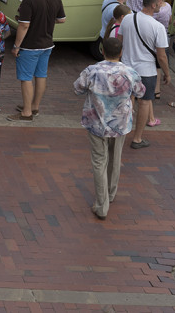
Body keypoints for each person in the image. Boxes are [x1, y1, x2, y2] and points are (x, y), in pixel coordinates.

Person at [73, 36, 145, 220]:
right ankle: (111, 194)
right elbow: (140, 92)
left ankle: (101, 204)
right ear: (121, 52)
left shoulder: (92, 70)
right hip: (120, 123)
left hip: (96, 122)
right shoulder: (129, 72)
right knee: (115, 158)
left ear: (102, 50)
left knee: (99, 161)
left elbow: (77, 88)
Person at [7, 0, 66, 122]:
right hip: (47, 44)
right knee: (41, 75)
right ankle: (34, 106)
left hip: (30, 45)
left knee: (26, 78)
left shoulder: (29, 0)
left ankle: (26, 112)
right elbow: (62, 19)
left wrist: (16, 45)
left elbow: (24, 25)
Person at [121, 0, 170, 150]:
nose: (161, 5)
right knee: (144, 103)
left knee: (125, 101)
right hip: (146, 71)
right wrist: (167, 74)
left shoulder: (128, 18)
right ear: (154, 5)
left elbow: (119, 42)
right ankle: (137, 138)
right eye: (160, 3)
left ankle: (120, 133)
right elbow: (161, 56)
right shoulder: (158, 27)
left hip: (126, 68)